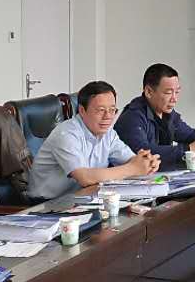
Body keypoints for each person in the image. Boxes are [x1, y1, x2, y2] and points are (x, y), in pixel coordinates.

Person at [26, 80, 161, 200]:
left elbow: (130, 160)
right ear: (82, 110)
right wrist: (133, 168)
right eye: (101, 110)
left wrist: (146, 162)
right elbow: (85, 178)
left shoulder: (108, 132)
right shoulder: (66, 134)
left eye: (112, 110)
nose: (108, 116)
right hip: (45, 205)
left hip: (82, 198)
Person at [114, 64, 195, 169]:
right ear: (149, 92)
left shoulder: (167, 113)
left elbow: (191, 136)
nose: (174, 99)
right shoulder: (132, 117)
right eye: (168, 93)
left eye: (177, 92)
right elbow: (144, 154)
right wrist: (188, 149)